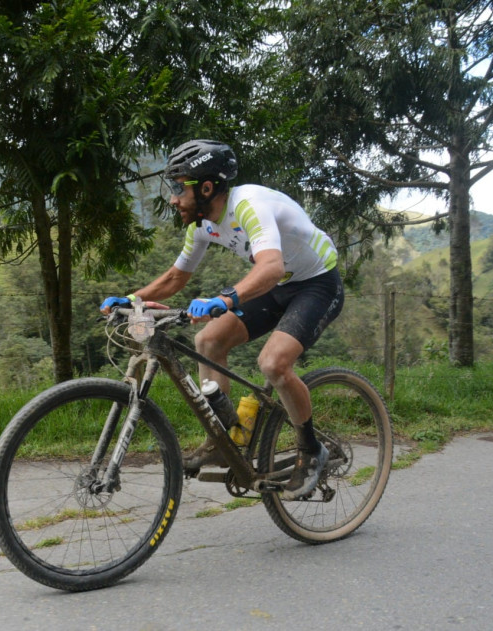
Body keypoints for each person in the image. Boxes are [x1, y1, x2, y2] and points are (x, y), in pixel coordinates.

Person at [100, 139, 344, 500]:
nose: (172, 198)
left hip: (317, 283)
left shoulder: (249, 205)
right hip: (276, 284)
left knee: (273, 364)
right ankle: (225, 439)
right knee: (208, 341)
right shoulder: (201, 223)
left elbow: (272, 266)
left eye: (178, 188)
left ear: (207, 187)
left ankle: (312, 451)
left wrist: (225, 298)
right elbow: (175, 278)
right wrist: (134, 298)